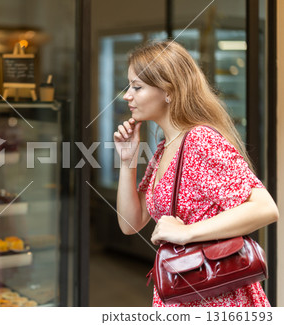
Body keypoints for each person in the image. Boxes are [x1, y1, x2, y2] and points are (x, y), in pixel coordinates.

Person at [114, 40, 279, 307]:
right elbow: (130, 224)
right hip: (183, 296)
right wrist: (127, 161)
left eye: (137, 87)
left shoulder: (200, 140)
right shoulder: (163, 151)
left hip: (217, 300)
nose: (127, 95)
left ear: (168, 91)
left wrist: (186, 232)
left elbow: (265, 208)